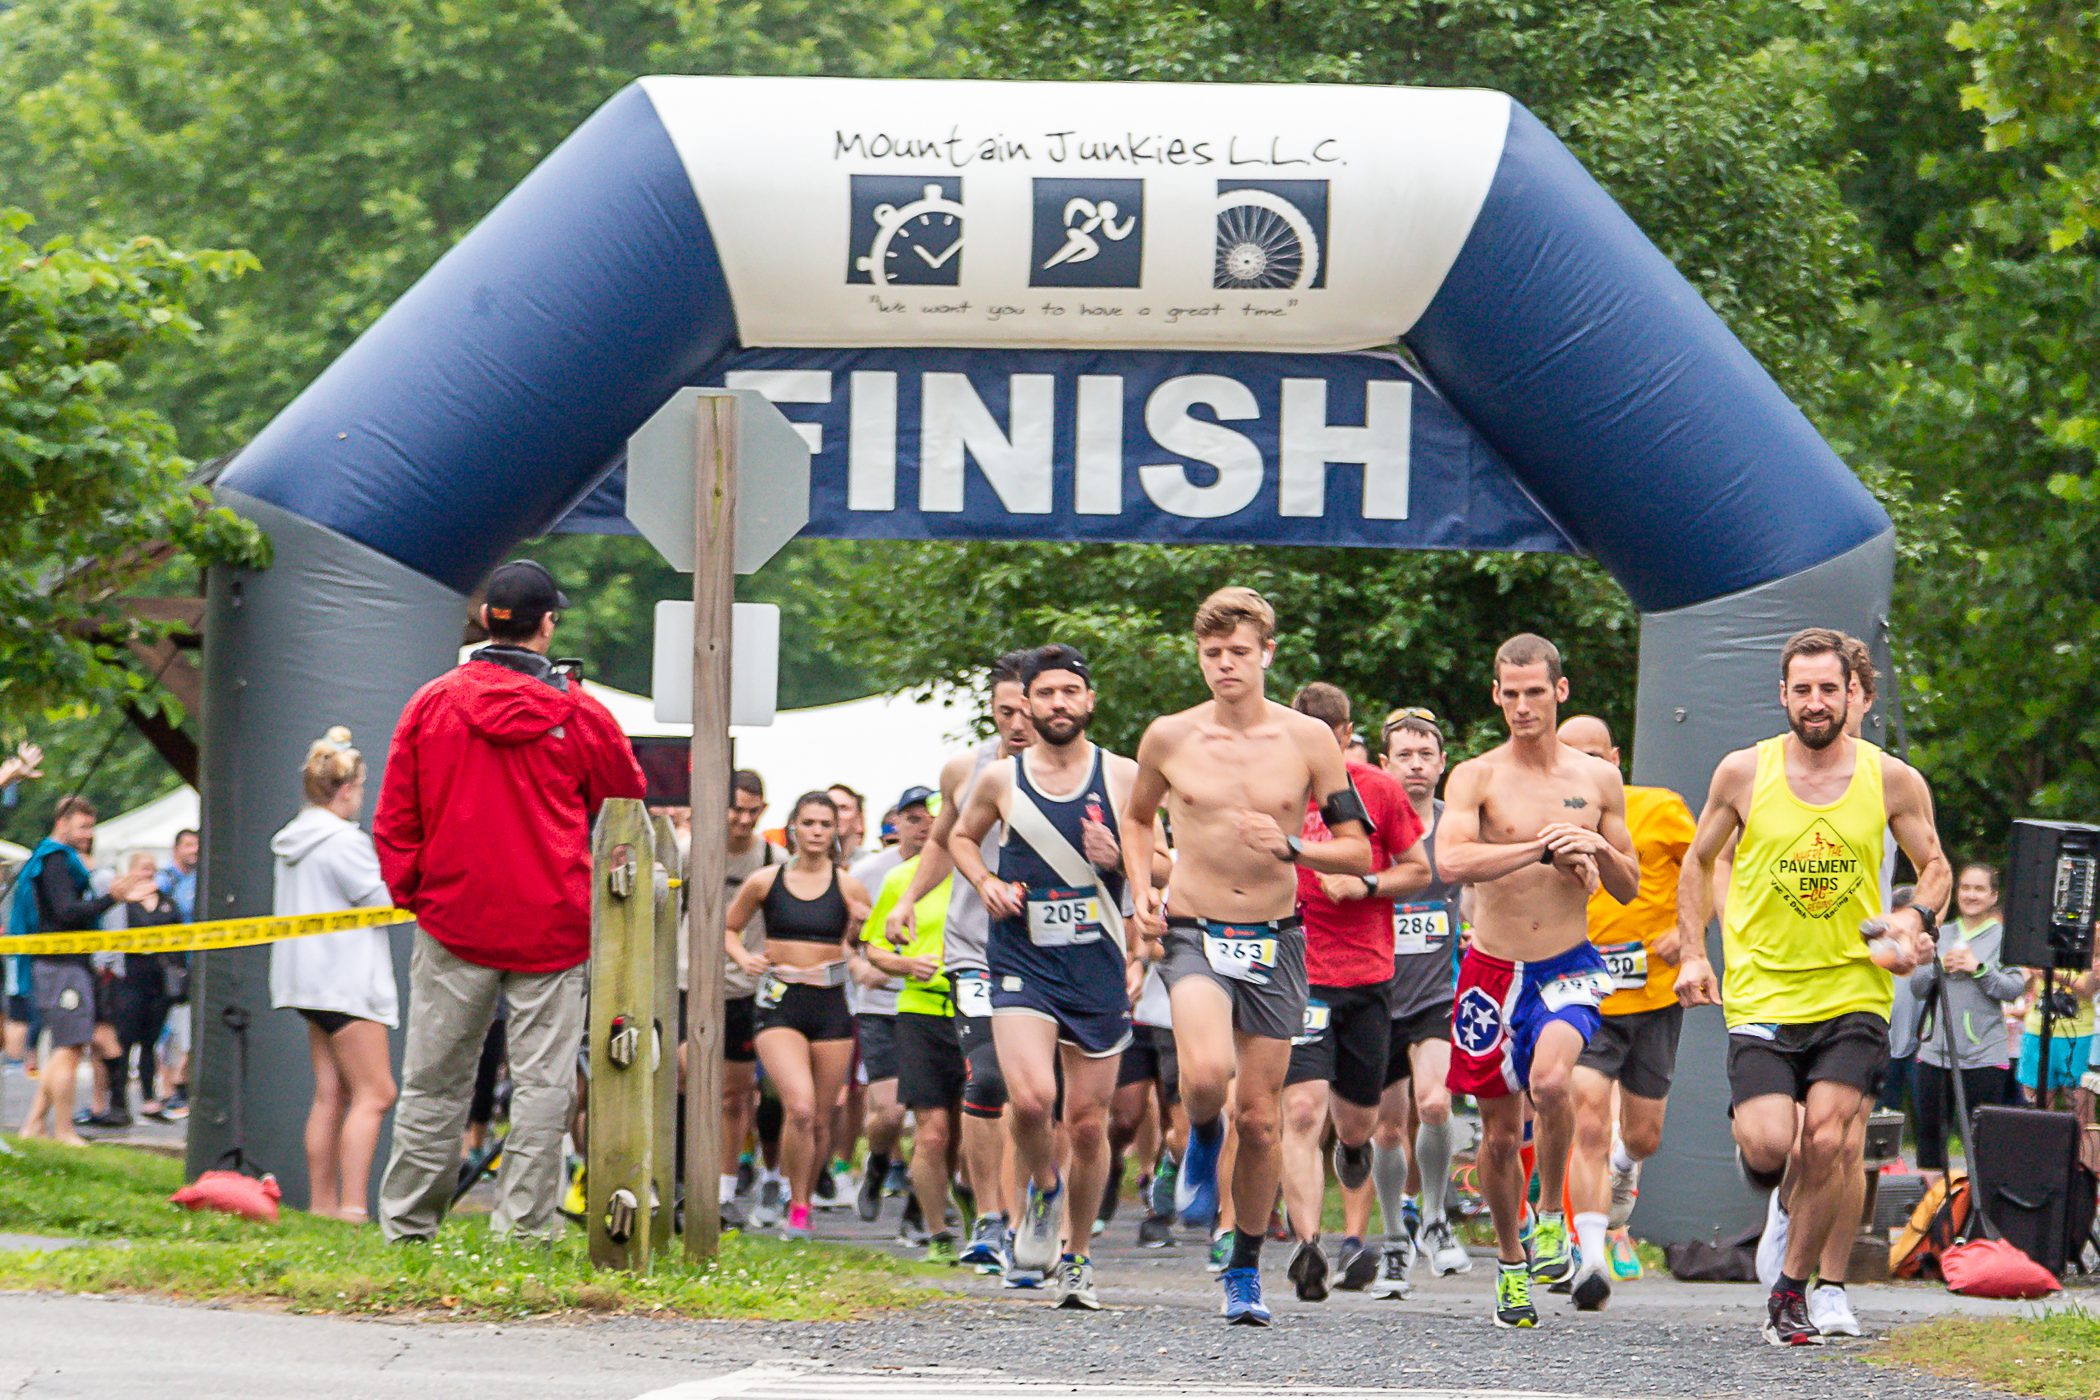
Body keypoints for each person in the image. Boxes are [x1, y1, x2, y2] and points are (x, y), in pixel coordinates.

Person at [1674, 626, 1948, 1347]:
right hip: (1763, 990)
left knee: (1829, 1140)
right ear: (1783, 695)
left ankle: (1795, 1291)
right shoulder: (1742, 772)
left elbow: (1936, 868)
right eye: (1804, 689)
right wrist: (1694, 957)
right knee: (1773, 1145)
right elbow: (1697, 862)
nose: (1817, 702)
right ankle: (1765, 1167)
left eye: (1830, 688)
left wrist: (1910, 920)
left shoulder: (1890, 778)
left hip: (1852, 992)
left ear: (1850, 693)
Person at [374, 559, 646, 1243]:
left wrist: (418, 895)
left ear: (485, 621)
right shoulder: (581, 712)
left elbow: (395, 818)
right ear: (547, 624)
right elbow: (626, 797)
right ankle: (523, 1233)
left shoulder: (431, 702)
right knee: (542, 1087)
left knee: (433, 1083)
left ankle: (408, 1229)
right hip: (553, 927)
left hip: (454, 919)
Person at [1122, 589, 1374, 1326]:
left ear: (1266, 651)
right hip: (1195, 928)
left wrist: (1294, 846)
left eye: (1238, 651)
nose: (1224, 665)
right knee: (1205, 1076)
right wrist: (1142, 888)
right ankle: (1198, 1140)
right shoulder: (1169, 737)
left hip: (1275, 937)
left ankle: (1243, 1269)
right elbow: (1138, 821)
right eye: (1211, 654)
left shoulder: (1308, 741)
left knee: (1262, 1121)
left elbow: (1357, 849)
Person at [1433, 634, 1639, 1327]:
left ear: (1561, 691)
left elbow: (1629, 885)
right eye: (1509, 694)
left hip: (1567, 964)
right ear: (1496, 695)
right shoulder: (1476, 776)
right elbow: (1453, 860)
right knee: (1496, 1136)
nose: (1522, 706)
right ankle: (1512, 1261)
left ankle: (1552, 1212)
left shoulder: (1597, 780)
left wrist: (1598, 846)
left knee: (1551, 1084)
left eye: (1534, 693)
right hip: (1490, 972)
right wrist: (1541, 845)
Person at [950, 644, 1152, 1311]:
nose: (1059, 704)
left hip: (1096, 964)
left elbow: (1167, 869)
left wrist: (1119, 857)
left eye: (1071, 692)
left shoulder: (1123, 777)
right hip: (1021, 959)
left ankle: (1078, 1256)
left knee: (1088, 1124)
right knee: (1032, 1101)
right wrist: (984, 880)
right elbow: (958, 838)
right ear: (1027, 705)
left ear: (1090, 701)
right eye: (1046, 694)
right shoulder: (1001, 781)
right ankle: (1042, 1188)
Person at [889, 651, 1038, 1270]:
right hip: (974, 950)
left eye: (1028, 709)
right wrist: (909, 903)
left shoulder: (1081, 770)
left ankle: (1032, 1211)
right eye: (1006, 710)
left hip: (1051, 953)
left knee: (1036, 1094)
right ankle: (990, 1217)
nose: (1018, 722)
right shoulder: (963, 768)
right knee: (988, 1075)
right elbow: (949, 841)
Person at [1279, 683, 1427, 1301]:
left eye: (1323, 735)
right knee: (1303, 1113)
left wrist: (1364, 884)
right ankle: (1309, 1246)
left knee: (1357, 1121)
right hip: (1298, 972)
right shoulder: (1273, 788)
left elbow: (1419, 870)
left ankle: (1356, 1152)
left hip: (1366, 976)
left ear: (1343, 738)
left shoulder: (1380, 790)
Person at [1556, 713, 1696, 1301]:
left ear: (1616, 758)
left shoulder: (1660, 808)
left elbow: (1708, 868)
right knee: (1587, 1116)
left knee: (1642, 1136)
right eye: (1574, 758)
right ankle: (1589, 1259)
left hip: (1654, 994)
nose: (1588, 768)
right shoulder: (1548, 820)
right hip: (1580, 992)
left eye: (1597, 756)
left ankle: (1622, 1167)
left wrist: (1689, 934)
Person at [1355, 707, 1470, 1293]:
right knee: (1386, 1129)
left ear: (1442, 763)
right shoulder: (1370, 827)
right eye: (1405, 755)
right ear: (1385, 764)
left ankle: (1433, 1218)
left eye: (1427, 755)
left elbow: (1479, 881)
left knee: (1434, 1104)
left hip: (1437, 994)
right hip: (1375, 991)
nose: (1417, 765)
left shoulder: (1455, 825)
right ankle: (1394, 1241)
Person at [724, 791, 873, 1240]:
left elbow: (862, 945)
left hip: (829, 1005)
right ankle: (790, 1197)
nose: (816, 832)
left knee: (823, 1118)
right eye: (808, 823)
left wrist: (863, 929)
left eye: (825, 825)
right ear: (793, 826)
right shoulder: (766, 880)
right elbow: (729, 927)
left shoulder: (847, 885)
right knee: (801, 1107)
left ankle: (800, 1202)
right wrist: (743, 958)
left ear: (835, 833)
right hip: (780, 1004)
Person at [270, 728, 400, 1222]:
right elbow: (382, 901)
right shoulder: (344, 842)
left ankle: (324, 1206)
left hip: (309, 984)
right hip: (347, 984)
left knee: (331, 1093)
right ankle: (351, 1207)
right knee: (376, 1092)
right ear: (346, 790)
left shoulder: (294, 839)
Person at [11, 796, 156, 1143]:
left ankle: (33, 1125)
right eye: (83, 826)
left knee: (68, 1046)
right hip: (61, 964)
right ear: (62, 822)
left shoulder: (53, 858)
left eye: (91, 827)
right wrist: (111, 898)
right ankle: (63, 1129)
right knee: (69, 1047)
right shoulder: (57, 860)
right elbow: (67, 913)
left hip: (62, 964)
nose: (89, 834)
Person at [859, 816, 962, 1262]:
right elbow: (874, 947)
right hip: (920, 1012)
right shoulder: (902, 878)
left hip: (981, 1011)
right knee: (932, 1132)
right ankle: (935, 1231)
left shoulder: (987, 874)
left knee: (968, 1132)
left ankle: (978, 1218)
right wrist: (907, 966)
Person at [845, 787, 933, 1231]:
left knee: (934, 1121)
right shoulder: (869, 871)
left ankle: (921, 1210)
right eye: (913, 818)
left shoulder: (953, 866)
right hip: (881, 1006)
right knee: (892, 1113)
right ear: (895, 823)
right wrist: (859, 966)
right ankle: (878, 1163)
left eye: (930, 817)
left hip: (937, 1006)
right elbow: (842, 938)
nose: (923, 826)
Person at [1909, 863, 2022, 1184]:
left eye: (1979, 889)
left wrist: (1979, 968)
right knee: (1929, 1141)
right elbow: (1918, 988)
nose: (1971, 895)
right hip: (1935, 1052)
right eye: (1965, 888)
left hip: (1984, 1054)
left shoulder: (2004, 938)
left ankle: (1977, 1217)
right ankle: (1932, 1217)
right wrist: (1936, 966)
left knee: (1983, 1140)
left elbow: (2013, 988)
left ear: (1993, 896)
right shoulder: (1940, 933)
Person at [716, 771, 786, 1222]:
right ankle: (689, 1177)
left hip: (751, 990)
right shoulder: (691, 849)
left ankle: (729, 1188)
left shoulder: (773, 859)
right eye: (735, 809)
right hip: (692, 983)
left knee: (741, 1096)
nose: (742, 820)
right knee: (688, 1080)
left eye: (751, 810)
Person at [104, 851, 181, 1124]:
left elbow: (179, 939)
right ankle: (118, 1100)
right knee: (123, 1042)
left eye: (151, 868)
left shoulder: (167, 902)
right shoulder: (122, 905)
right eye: (142, 868)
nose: (147, 873)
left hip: (158, 982)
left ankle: (150, 1098)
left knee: (150, 1043)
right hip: (128, 980)